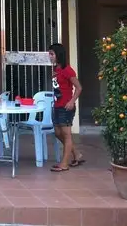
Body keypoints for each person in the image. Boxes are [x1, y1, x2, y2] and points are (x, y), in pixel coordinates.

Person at [49, 43, 84, 172]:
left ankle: (64, 164)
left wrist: (71, 101)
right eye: (49, 54)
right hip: (57, 105)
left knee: (66, 135)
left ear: (59, 55)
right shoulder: (56, 70)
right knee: (58, 133)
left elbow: (79, 87)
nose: (50, 56)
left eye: (52, 54)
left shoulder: (67, 70)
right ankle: (77, 154)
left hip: (66, 107)